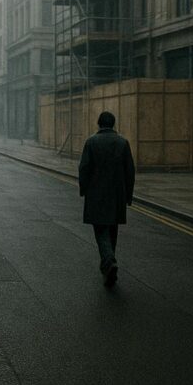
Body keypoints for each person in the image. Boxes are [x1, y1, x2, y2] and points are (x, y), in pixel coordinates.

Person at [78, 110, 135, 288]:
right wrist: (128, 195)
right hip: (117, 195)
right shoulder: (123, 143)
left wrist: (83, 189)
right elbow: (130, 171)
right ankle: (109, 267)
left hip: (96, 194)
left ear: (99, 124)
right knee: (112, 230)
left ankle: (109, 261)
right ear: (113, 124)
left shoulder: (91, 142)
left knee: (101, 231)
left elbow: (84, 168)